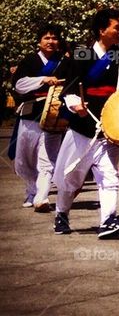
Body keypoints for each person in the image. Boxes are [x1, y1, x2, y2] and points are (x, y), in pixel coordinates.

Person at [52, 8, 119, 238]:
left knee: (109, 176)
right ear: (102, 30)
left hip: (110, 128)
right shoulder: (82, 54)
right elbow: (69, 89)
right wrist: (74, 104)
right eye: (116, 27)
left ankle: (108, 221)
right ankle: (61, 214)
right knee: (72, 179)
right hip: (83, 128)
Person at [12, 24, 66, 211]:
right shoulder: (29, 60)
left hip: (54, 116)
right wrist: (42, 80)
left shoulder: (63, 62)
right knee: (23, 160)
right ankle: (31, 190)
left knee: (47, 159)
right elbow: (19, 84)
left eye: (54, 38)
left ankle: (41, 198)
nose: (51, 42)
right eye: (47, 38)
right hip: (30, 115)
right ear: (39, 41)